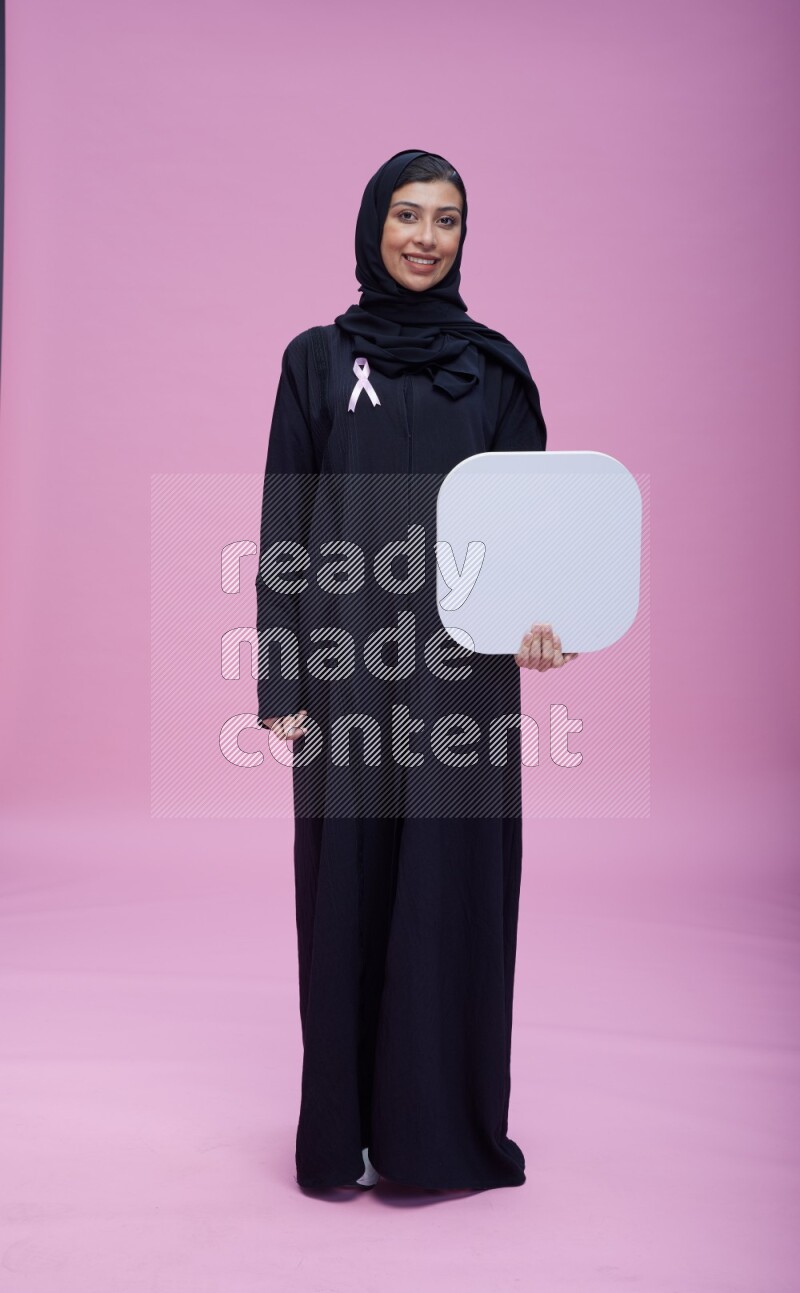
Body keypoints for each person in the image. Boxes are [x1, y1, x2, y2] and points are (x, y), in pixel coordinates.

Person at [255, 149, 577, 1193]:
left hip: (463, 689)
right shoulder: (313, 362)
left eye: (445, 220)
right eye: (407, 215)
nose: (425, 238)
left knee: (448, 900)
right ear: (371, 224)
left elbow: (537, 544)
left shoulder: (494, 372)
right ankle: (341, 1134)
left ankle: (436, 1138)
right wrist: (281, 684)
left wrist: (547, 620)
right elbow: (284, 530)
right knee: (345, 897)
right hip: (346, 682)